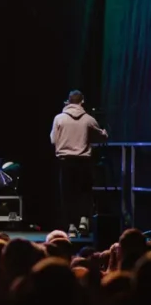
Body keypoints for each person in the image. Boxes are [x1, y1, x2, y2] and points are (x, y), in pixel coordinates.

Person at [51, 90, 108, 236]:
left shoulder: (59, 118)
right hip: (83, 161)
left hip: (65, 161)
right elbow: (101, 137)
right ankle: (83, 220)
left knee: (68, 194)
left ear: (68, 101)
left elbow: (53, 139)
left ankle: (71, 226)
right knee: (84, 192)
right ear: (82, 102)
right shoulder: (89, 119)